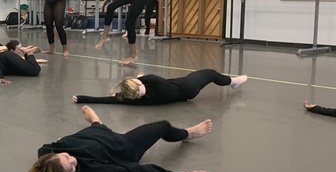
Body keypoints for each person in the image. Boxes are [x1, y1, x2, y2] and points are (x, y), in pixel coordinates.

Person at [28, 105, 211, 172]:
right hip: (125, 146)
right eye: (72, 169)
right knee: (161, 126)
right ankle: (189, 133)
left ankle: (96, 123)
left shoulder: (46, 152)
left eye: (67, 157)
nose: (74, 160)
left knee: (87, 134)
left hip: (99, 135)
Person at [73, 69, 248, 105]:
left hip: (185, 95)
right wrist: (139, 77)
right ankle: (233, 82)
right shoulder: (155, 82)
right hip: (188, 85)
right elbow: (142, 76)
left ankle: (232, 82)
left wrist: (83, 98)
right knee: (210, 73)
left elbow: (109, 100)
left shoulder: (135, 101)